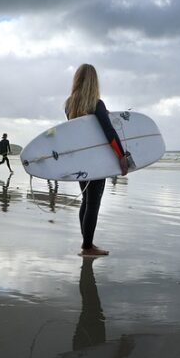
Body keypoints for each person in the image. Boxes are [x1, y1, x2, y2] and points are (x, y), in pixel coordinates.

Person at [65, 64, 129, 257]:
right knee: (93, 204)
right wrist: (122, 156)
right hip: (97, 162)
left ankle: (86, 241)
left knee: (86, 200)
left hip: (80, 161)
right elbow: (109, 133)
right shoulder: (96, 104)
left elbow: (83, 131)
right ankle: (87, 246)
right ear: (94, 81)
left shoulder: (70, 104)